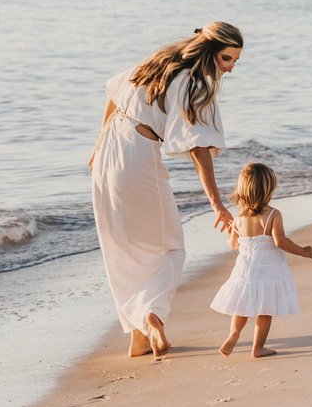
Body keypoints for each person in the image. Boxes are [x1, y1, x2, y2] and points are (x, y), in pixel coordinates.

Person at [90, 22, 242, 358]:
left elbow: (113, 91)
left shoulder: (158, 61)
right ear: (208, 51)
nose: (230, 68)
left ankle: (139, 338)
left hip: (107, 155)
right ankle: (152, 316)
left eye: (235, 61)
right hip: (137, 159)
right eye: (227, 59)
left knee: (122, 247)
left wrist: (99, 141)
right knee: (171, 248)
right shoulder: (193, 84)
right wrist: (217, 203)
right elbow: (198, 149)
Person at [211, 161, 312, 359]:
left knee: (242, 306)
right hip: (268, 271)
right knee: (265, 311)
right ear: (268, 189)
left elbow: (233, 245)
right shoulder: (273, 215)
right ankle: (258, 348)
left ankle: (234, 333)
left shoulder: (239, 217)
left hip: (244, 269)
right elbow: (280, 241)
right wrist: (303, 251)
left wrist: (232, 230)